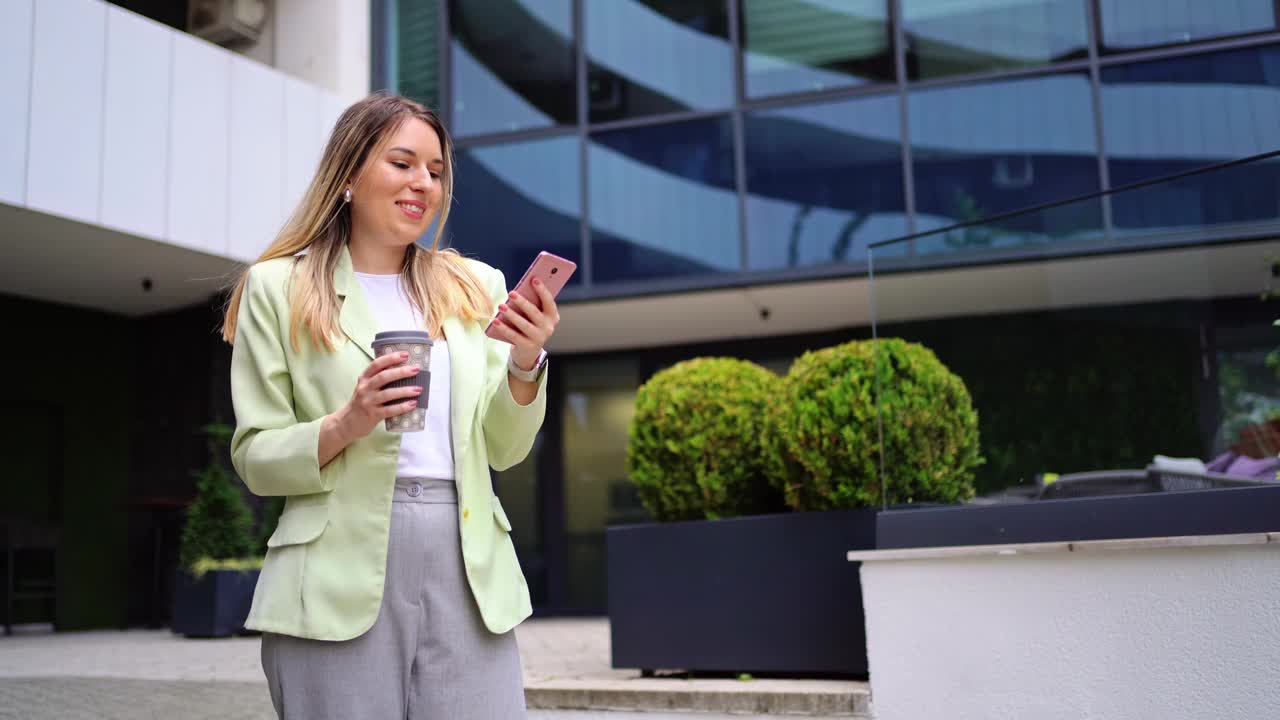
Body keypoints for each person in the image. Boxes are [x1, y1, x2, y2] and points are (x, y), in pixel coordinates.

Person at [220, 92, 557, 719]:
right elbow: (257, 458)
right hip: (332, 572)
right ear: (349, 174)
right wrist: (350, 420)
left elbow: (504, 451)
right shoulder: (278, 286)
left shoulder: (474, 285)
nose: (422, 183)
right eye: (402, 163)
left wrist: (524, 364)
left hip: (467, 561)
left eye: (435, 171)